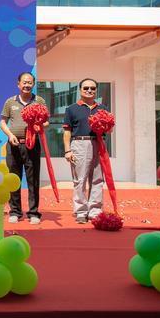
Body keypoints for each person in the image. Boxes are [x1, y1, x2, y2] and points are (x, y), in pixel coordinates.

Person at [0, 72, 47, 225]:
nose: (27, 85)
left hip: (32, 145)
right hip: (14, 144)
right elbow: (3, 122)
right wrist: (9, 135)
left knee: (33, 179)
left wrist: (39, 126)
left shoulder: (39, 101)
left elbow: (46, 121)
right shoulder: (10, 102)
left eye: (30, 82)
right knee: (14, 179)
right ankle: (15, 211)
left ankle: (33, 212)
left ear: (33, 84)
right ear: (18, 84)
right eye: (24, 82)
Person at [63, 78, 110, 224]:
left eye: (93, 88)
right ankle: (81, 211)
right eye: (86, 88)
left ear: (96, 90)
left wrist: (107, 126)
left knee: (97, 179)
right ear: (80, 90)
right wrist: (67, 151)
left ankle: (95, 211)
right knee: (80, 180)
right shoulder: (71, 109)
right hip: (79, 144)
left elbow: (110, 130)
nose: (89, 90)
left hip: (99, 144)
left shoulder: (103, 108)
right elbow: (67, 132)